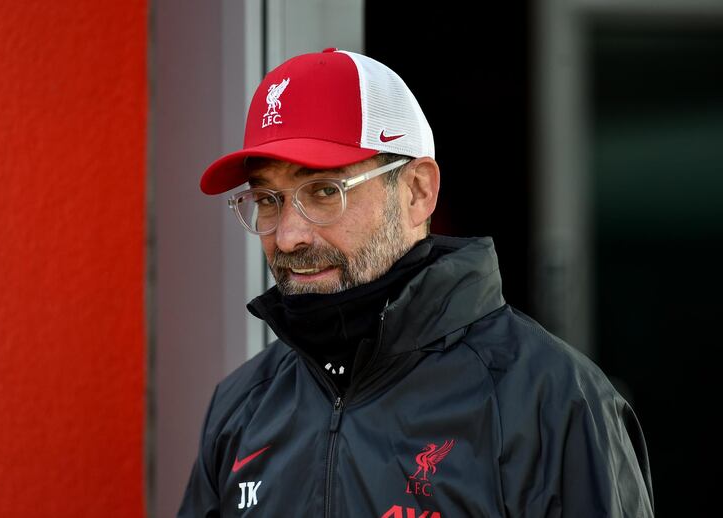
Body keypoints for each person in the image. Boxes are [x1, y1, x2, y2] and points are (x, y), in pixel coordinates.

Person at [178, 48, 654, 517]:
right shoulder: (242, 404)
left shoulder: (553, 401)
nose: (288, 236)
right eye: (267, 199)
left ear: (417, 191)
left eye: (324, 191)